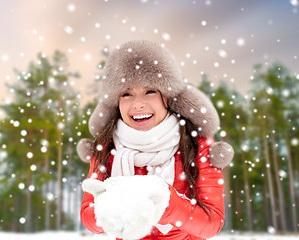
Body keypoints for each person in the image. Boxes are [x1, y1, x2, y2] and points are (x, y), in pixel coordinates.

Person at [78, 40, 233, 240]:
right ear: (117, 102)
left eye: (149, 91)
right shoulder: (107, 146)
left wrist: (166, 201)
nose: (138, 104)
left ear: (166, 97)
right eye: (127, 94)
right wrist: (109, 203)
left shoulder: (197, 144)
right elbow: (88, 216)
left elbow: (212, 222)